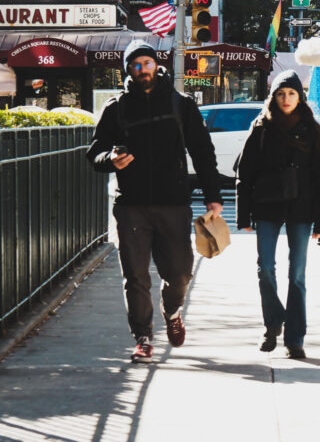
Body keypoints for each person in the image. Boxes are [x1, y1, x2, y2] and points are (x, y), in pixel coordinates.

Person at [86, 40, 222, 364]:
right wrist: (110, 159)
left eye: (147, 63)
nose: (143, 69)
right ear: (128, 70)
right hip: (131, 204)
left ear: (155, 66)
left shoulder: (181, 105)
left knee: (179, 274)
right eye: (136, 65)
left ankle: (172, 311)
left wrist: (213, 197)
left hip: (173, 203)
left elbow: (203, 153)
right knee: (135, 275)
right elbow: (94, 154)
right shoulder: (116, 108)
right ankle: (143, 337)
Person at [236, 70, 320, 360]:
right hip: (267, 206)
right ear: (273, 97)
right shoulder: (261, 127)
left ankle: (295, 338)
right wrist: (243, 216)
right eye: (280, 94)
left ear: (299, 97)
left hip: (301, 209)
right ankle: (273, 323)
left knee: (297, 275)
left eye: (291, 93)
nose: (286, 99)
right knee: (265, 267)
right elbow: (245, 173)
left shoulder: (311, 129)